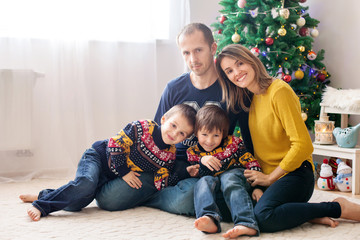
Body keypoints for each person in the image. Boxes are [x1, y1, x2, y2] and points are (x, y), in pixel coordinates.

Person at [95, 23, 253, 217]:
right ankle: (162, 192)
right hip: (167, 164)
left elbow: (248, 137)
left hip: (202, 168)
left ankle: (156, 195)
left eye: (198, 50)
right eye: (186, 53)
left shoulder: (234, 90)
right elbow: (154, 134)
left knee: (191, 196)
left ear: (213, 48)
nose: (193, 59)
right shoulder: (174, 88)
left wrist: (254, 175)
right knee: (109, 199)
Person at [215, 43, 360, 232]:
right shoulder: (246, 99)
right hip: (265, 175)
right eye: (229, 71)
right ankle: (303, 213)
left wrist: (268, 179)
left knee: (263, 217)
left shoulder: (278, 91)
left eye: (240, 63)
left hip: (295, 173)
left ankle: (337, 207)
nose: (237, 72)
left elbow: (303, 145)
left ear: (251, 61)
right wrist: (257, 186)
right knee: (222, 205)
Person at [19, 104, 196, 221]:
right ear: (164, 119)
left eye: (182, 134)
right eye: (173, 125)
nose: (175, 133)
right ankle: (41, 205)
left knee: (79, 202)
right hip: (99, 158)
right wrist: (125, 172)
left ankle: (45, 194)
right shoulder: (143, 127)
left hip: (110, 177)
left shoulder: (169, 155)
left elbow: (161, 181)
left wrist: (184, 173)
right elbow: (115, 144)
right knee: (86, 184)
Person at [187, 105, 262, 238]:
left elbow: (251, 163)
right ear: (196, 132)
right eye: (204, 134)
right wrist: (201, 163)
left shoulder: (233, 144)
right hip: (215, 182)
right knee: (203, 182)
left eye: (216, 135)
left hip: (236, 175)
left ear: (223, 133)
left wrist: (258, 187)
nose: (209, 141)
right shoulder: (194, 153)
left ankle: (246, 222)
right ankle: (209, 218)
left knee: (229, 178)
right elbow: (201, 175)